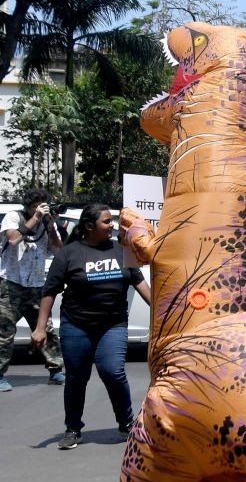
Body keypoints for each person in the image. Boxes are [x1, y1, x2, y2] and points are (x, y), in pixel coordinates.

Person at [32, 204, 152, 450]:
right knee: (77, 378)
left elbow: (140, 285)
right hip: (77, 325)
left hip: (113, 324)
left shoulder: (122, 250)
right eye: (107, 221)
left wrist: (164, 313)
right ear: (89, 226)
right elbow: (50, 291)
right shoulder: (70, 253)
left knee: (112, 371)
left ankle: (126, 423)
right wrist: (40, 327)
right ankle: (73, 429)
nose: (112, 225)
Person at [0, 189, 65, 392]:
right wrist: (36, 218)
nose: (41, 208)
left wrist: (51, 226)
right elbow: (13, 240)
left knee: (45, 329)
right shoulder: (14, 217)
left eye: (44, 204)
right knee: (4, 332)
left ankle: (56, 370)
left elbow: (58, 251)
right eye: (37, 205)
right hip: (11, 282)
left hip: (36, 284)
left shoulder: (45, 224)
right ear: (28, 206)